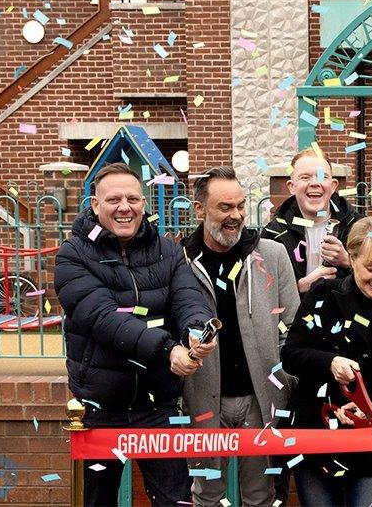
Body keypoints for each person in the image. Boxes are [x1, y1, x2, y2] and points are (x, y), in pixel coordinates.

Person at [54, 163, 217, 506]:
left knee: (175, 501)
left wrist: (196, 331)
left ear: (144, 203)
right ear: (95, 205)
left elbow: (188, 299)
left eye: (132, 198)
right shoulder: (72, 256)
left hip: (159, 404)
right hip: (100, 407)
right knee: (98, 501)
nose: (124, 207)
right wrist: (168, 350)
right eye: (113, 199)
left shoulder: (169, 250)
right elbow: (103, 319)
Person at [181, 167, 300, 506]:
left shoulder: (273, 254)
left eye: (240, 206)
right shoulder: (181, 260)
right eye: (225, 207)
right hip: (203, 399)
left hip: (259, 400)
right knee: (206, 494)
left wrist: (284, 382)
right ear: (200, 209)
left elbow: (292, 326)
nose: (235, 216)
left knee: (260, 496)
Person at [281, 217, 372, 507]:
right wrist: (329, 362)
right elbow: (290, 354)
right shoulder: (323, 293)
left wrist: (369, 409)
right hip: (315, 433)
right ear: (352, 259)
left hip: (369, 443)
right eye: (371, 268)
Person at [262, 147, 362, 293]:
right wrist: (301, 286)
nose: (315, 183)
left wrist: (348, 261)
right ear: (292, 186)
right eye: (305, 177)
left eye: (322, 176)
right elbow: (264, 293)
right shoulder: (273, 234)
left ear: (333, 185)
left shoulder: (359, 227)